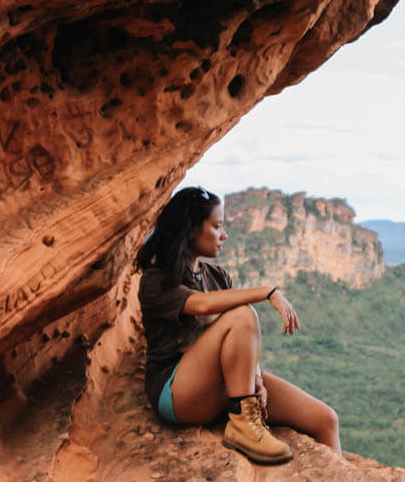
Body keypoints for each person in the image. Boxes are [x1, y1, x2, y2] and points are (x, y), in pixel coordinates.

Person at [135, 186, 341, 464]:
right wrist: (267, 291)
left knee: (325, 419)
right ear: (192, 229)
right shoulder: (157, 280)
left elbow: (243, 340)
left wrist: (255, 377)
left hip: (225, 388)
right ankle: (243, 426)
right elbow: (202, 305)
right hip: (176, 394)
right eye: (217, 227)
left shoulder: (217, 275)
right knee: (244, 313)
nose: (224, 236)